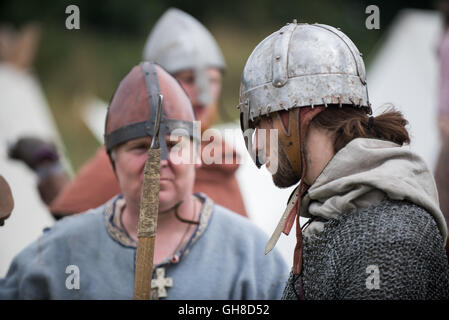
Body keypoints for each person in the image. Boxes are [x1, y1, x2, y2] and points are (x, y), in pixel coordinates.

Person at [0, 62, 288, 299]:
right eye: (140, 147)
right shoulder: (57, 254)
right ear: (112, 160)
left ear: (197, 154)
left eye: (175, 145)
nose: (158, 160)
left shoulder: (251, 257)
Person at [237, 22, 449, 299]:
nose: (258, 143)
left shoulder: (386, 239)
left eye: (262, 122)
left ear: (301, 116)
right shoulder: (339, 213)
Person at [9, 8, 247, 219]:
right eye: (188, 79)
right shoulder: (133, 152)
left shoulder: (220, 157)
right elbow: (73, 224)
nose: (204, 96)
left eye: (213, 81)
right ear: (158, 84)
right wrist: (50, 169)